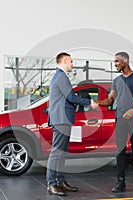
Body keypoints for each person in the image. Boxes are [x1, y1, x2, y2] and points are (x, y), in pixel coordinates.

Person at [96, 52, 133, 193]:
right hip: (119, 119)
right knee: (119, 150)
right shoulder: (117, 81)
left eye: (117, 61)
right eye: (114, 62)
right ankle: (120, 182)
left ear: (125, 61)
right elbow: (110, 101)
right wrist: (96, 102)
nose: (115, 64)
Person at [46, 52, 98, 196]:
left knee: (61, 153)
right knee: (57, 153)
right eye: (70, 61)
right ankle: (51, 183)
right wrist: (89, 102)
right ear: (63, 62)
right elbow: (71, 97)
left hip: (63, 119)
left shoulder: (59, 76)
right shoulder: (61, 76)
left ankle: (59, 181)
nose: (72, 64)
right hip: (61, 119)